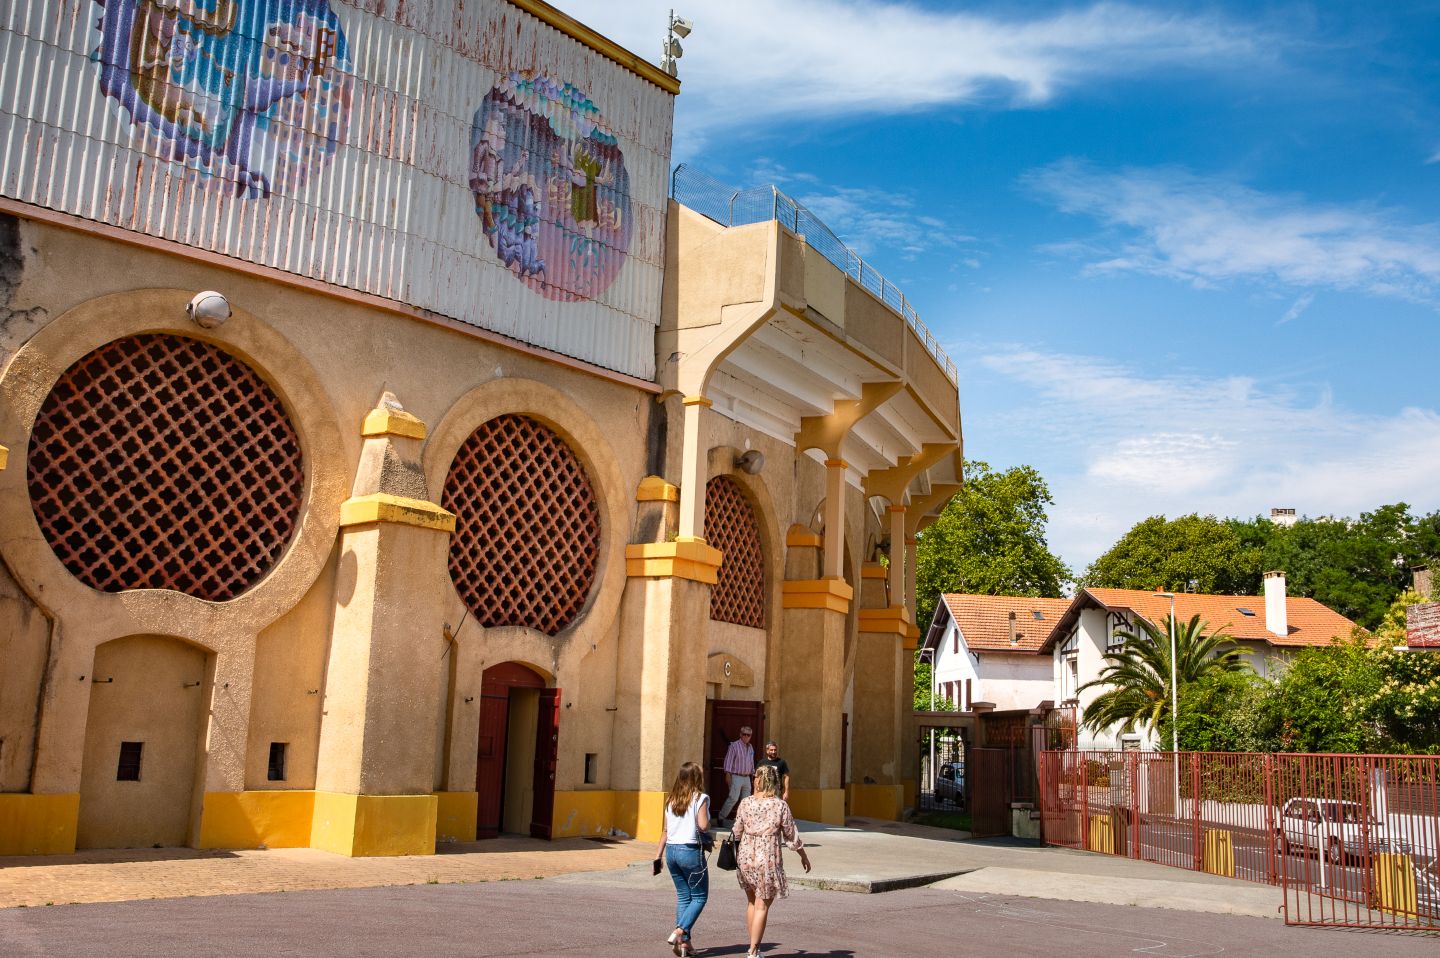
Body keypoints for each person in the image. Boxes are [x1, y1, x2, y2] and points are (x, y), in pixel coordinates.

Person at [731, 763, 810, 957]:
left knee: (752, 903)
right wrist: (803, 855)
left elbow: (736, 831)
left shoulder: (745, 802)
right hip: (767, 858)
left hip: (745, 856)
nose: (753, 779)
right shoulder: (779, 805)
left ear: (759, 780)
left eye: (755, 777)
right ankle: (753, 950)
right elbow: (791, 835)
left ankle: (753, 948)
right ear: (773, 782)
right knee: (762, 905)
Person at [655, 762, 711, 957]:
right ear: (696, 778)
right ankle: (680, 930)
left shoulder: (671, 800)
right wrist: (708, 822)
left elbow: (665, 831)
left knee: (683, 896)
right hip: (690, 850)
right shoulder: (700, 798)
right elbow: (703, 826)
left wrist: (658, 856)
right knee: (700, 896)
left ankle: (685, 944)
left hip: (671, 851)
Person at [717, 725, 755, 825]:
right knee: (733, 798)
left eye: (749, 735)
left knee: (746, 800)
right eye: (744, 734)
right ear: (740, 735)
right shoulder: (734, 746)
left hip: (747, 777)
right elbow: (728, 762)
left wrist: (753, 774)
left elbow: (751, 762)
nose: (746, 736)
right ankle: (721, 817)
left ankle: (743, 821)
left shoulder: (750, 747)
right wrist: (728, 775)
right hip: (736, 776)